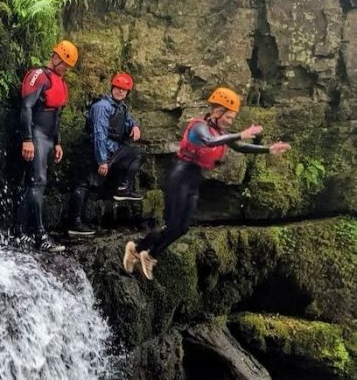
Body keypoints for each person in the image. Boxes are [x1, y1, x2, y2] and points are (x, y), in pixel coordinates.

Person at [122, 87, 291, 280]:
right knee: (172, 224)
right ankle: (136, 249)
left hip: (194, 179)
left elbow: (240, 146)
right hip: (180, 176)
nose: (230, 121)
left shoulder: (220, 132)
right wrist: (240, 134)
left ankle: (149, 255)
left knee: (183, 227)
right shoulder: (199, 127)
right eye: (228, 117)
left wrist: (268, 149)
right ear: (218, 112)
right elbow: (211, 142)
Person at [16, 40, 78, 252]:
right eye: (65, 65)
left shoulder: (59, 82)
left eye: (69, 67)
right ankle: (39, 234)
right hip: (36, 135)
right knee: (37, 182)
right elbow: (26, 107)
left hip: (48, 138)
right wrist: (27, 139)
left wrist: (58, 142)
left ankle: (23, 233)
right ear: (55, 58)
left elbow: (57, 116)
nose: (66, 70)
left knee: (35, 183)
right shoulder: (39, 75)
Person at [66, 72, 144, 237]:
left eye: (124, 89)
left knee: (135, 154)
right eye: (117, 88)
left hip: (111, 149)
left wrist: (135, 126)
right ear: (112, 88)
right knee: (84, 184)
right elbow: (99, 134)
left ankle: (121, 189)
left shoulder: (120, 106)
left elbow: (127, 119)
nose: (120, 91)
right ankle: (74, 222)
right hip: (94, 151)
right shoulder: (102, 107)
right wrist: (102, 160)